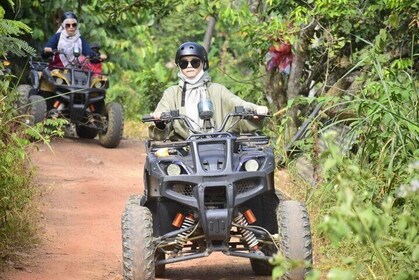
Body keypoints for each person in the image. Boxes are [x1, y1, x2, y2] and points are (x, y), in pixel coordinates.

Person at [149, 41, 269, 140]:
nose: (189, 66)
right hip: (184, 148)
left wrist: (255, 109)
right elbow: (161, 112)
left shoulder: (217, 90)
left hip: (219, 143)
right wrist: (159, 122)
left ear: (203, 63)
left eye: (195, 62)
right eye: (184, 63)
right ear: (179, 66)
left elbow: (238, 103)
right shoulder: (171, 93)